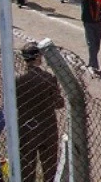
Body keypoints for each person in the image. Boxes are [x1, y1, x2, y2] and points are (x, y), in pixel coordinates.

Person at [16, 42, 64, 182]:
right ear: (38, 57)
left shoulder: (17, 79)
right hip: (46, 127)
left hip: (25, 127)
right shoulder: (48, 78)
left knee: (26, 168)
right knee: (49, 168)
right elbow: (59, 103)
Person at [79, 0, 101, 72]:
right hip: (88, 22)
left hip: (98, 21)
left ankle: (91, 62)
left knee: (97, 44)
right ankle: (94, 66)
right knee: (91, 44)